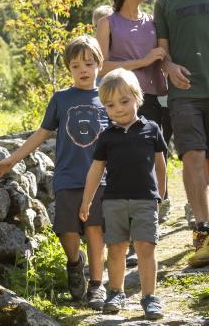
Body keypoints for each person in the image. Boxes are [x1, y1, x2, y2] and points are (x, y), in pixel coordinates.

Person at [0, 35, 108, 309]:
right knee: (67, 230)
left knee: (94, 229)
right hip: (67, 176)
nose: (83, 70)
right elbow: (41, 134)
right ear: (68, 69)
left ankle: (97, 285)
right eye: (76, 65)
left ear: (99, 65)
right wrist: (12, 159)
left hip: (100, 177)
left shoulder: (107, 95)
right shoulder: (61, 99)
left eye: (88, 63)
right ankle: (75, 263)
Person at [96, 0, 171, 267]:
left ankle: (145, 230)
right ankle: (123, 239)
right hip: (119, 104)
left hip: (153, 100)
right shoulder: (108, 23)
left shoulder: (154, 22)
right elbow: (101, 66)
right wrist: (141, 61)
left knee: (150, 166)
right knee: (123, 166)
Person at [79, 68, 167, 320]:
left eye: (124, 101)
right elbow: (96, 171)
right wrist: (87, 200)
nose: (118, 109)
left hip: (145, 200)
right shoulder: (107, 137)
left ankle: (149, 297)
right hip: (114, 202)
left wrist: (160, 195)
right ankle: (116, 292)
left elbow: (160, 165)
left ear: (138, 97)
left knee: (145, 249)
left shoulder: (151, 129)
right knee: (116, 248)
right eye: (110, 105)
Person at [154, 0, 209, 268]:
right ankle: (201, 234)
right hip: (184, 93)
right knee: (192, 156)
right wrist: (169, 66)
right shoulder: (165, 4)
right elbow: (162, 51)